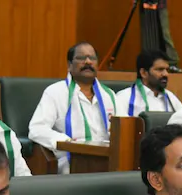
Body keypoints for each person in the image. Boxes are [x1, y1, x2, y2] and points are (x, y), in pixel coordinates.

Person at [29, 42, 117, 174]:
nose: (88, 62)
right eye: (81, 58)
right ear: (69, 65)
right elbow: (36, 129)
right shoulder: (55, 92)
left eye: (92, 58)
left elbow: (124, 130)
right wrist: (67, 142)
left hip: (107, 161)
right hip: (71, 162)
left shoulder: (110, 95)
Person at [116, 50, 182, 117]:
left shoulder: (171, 98)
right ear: (143, 73)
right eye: (160, 69)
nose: (166, 74)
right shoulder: (124, 97)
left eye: (167, 70)